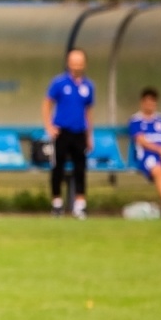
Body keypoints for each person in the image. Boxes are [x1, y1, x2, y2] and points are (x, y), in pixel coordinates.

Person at [42, 49, 94, 218]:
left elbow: (88, 111)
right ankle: (57, 203)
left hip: (79, 132)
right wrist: (49, 126)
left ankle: (80, 205)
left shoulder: (88, 86)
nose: (77, 64)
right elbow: (47, 104)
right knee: (58, 168)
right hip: (62, 132)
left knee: (80, 168)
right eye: (74, 61)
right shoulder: (59, 83)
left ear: (84, 63)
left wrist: (89, 134)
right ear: (68, 62)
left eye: (80, 61)